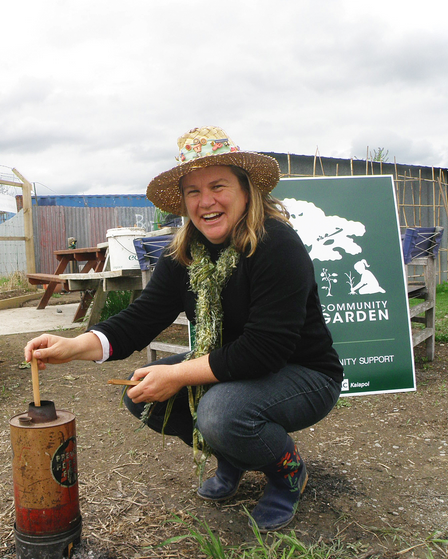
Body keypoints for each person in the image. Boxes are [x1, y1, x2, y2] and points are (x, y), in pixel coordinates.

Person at [24, 126, 343, 533]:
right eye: (193, 192)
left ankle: (286, 472)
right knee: (142, 396)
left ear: (246, 190)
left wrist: (175, 373)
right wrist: (73, 346)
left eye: (217, 186)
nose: (205, 201)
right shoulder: (184, 254)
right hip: (236, 370)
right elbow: (140, 319)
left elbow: (266, 349)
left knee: (222, 413)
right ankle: (234, 455)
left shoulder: (276, 244)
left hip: (304, 373)